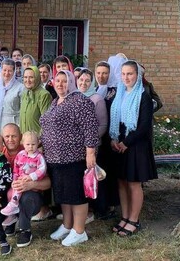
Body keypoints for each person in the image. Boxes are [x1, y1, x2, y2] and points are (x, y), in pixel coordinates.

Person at [41, 70, 99, 247]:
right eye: (57, 81)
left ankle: (79, 231)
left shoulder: (79, 101)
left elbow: (90, 127)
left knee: (76, 194)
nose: (60, 84)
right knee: (63, 194)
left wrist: (90, 153)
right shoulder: (55, 102)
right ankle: (67, 225)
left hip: (74, 158)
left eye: (64, 81)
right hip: (55, 158)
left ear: (71, 82)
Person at [108, 61, 158, 237]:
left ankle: (134, 220)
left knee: (134, 183)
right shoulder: (119, 95)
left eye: (130, 74)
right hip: (119, 142)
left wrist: (126, 142)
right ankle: (125, 217)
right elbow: (114, 120)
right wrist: (114, 139)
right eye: (123, 74)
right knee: (122, 182)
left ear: (137, 76)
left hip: (135, 144)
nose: (126, 77)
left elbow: (144, 126)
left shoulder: (143, 96)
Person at [1, 123, 52, 247]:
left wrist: (31, 183)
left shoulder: (35, 154)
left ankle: (24, 230)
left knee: (26, 198)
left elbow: (48, 182)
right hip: (11, 189)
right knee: (6, 195)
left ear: (20, 137)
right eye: (7, 136)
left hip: (32, 192)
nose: (10, 139)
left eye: (14, 136)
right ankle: (10, 221)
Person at [1, 131, 46, 218]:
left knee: (22, 195)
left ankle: (14, 206)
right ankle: (12, 215)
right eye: (28, 144)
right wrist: (14, 180)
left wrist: (31, 177)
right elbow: (16, 169)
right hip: (20, 180)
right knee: (10, 193)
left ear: (38, 143)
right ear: (23, 144)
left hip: (32, 183)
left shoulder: (39, 157)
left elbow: (42, 169)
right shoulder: (20, 155)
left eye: (33, 144)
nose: (31, 147)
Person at [19, 67, 52, 134]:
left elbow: (46, 122)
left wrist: (39, 139)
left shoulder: (44, 95)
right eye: (25, 77)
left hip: (37, 141)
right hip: (25, 140)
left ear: (37, 78)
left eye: (31, 77)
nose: (27, 80)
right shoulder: (25, 94)